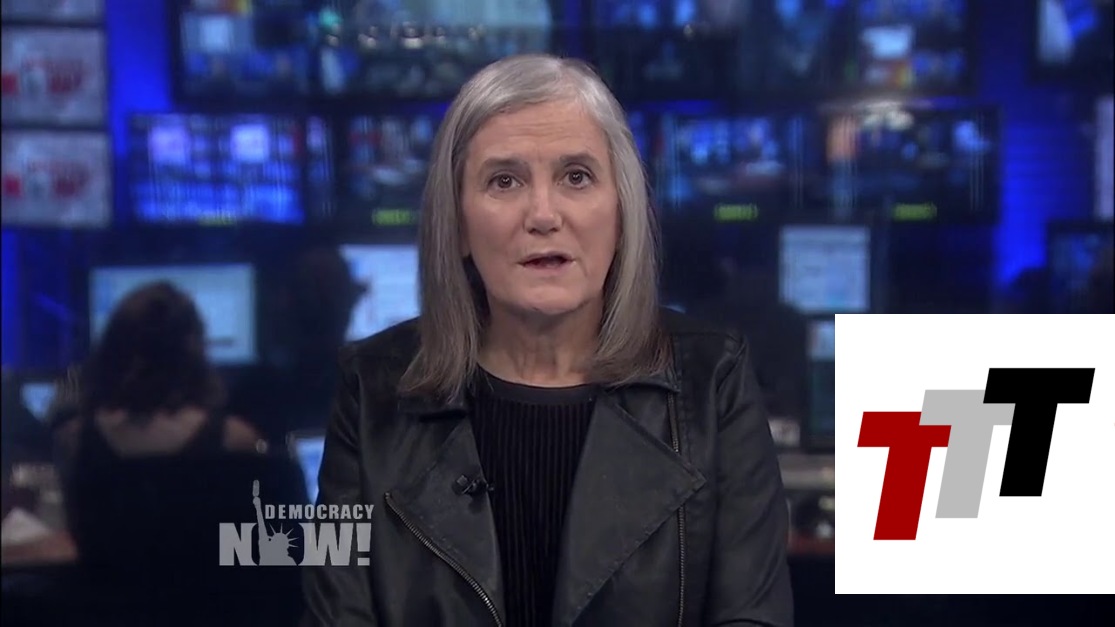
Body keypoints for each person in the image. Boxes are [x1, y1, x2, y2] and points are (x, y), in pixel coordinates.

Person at [303, 54, 793, 627]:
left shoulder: (714, 382)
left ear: (622, 213)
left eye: (576, 177)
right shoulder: (369, 391)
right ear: (458, 224)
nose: (542, 214)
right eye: (504, 181)